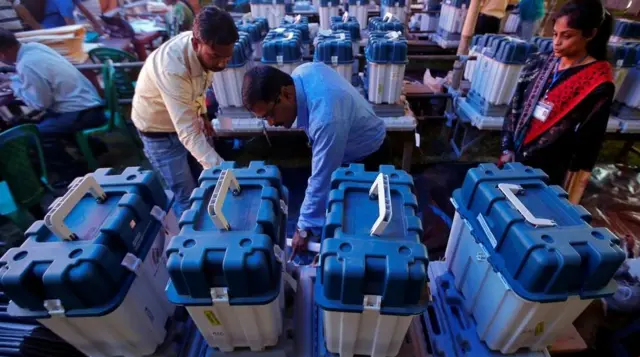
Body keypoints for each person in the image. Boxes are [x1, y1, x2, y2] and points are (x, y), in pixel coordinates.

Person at [241, 63, 391, 260]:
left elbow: (322, 177)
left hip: (370, 157)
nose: (271, 123)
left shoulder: (327, 118)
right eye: (264, 118)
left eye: (270, 114)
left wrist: (304, 229)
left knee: (362, 231)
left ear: (286, 94)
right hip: (346, 145)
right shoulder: (302, 72)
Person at [500, 0, 614, 204]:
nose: (557, 42)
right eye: (555, 34)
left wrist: (571, 191)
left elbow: (588, 145)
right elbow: (515, 106)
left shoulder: (596, 84)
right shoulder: (539, 62)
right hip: (515, 155)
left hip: (548, 170)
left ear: (590, 34)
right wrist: (507, 147)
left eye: (567, 36)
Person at [131, 6, 237, 218]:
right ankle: (192, 246)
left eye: (227, 57)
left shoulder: (206, 50)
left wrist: (204, 114)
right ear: (196, 44)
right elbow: (187, 133)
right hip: (159, 134)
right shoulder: (173, 68)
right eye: (216, 57)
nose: (222, 63)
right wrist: (225, 172)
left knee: (207, 184)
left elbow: (198, 86)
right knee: (188, 199)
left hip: (188, 121)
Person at [0, 29, 106, 172]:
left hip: (82, 111)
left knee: (35, 136)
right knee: (44, 121)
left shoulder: (27, 64)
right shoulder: (34, 47)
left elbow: (41, 104)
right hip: (88, 103)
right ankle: (95, 148)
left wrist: (14, 85)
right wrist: (14, 81)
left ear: (3, 53)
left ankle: (73, 173)